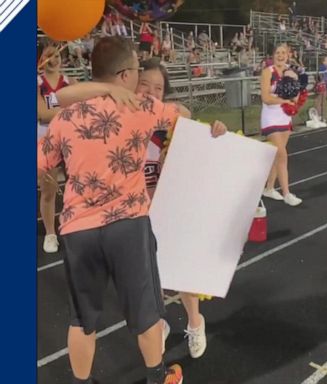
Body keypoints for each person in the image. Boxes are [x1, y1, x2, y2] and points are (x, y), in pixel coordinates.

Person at [56, 58, 227, 360]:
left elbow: (188, 117)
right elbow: (63, 98)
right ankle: (157, 324)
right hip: (134, 217)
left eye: (158, 88)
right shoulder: (115, 121)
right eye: (143, 84)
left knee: (182, 269)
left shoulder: (168, 123)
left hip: (170, 209)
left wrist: (213, 130)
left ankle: (194, 321)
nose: (150, 92)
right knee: (150, 278)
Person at [37, 36, 183, 384]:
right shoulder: (142, 108)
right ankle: (158, 377)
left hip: (77, 229)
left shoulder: (64, 116)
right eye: (134, 70)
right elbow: (185, 117)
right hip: (128, 224)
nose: (137, 77)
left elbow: (43, 163)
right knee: (144, 312)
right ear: (123, 74)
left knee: (81, 319)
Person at [38, 44, 76, 253]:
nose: (54, 59)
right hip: (46, 138)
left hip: (70, 138)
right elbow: (42, 114)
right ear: (41, 60)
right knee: (48, 189)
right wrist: (66, 110)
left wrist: (57, 110)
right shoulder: (36, 82)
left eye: (57, 54)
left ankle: (72, 225)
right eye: (48, 55)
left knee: (76, 184)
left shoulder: (71, 82)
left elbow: (80, 107)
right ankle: (50, 234)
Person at [260, 44, 302, 206]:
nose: (280, 55)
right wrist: (284, 100)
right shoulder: (267, 72)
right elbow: (266, 98)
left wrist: (295, 87)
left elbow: (296, 98)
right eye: (277, 52)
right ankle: (287, 193)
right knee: (282, 155)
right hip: (270, 117)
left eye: (283, 53)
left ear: (288, 55)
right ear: (273, 55)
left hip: (285, 117)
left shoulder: (291, 72)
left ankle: (269, 188)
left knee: (277, 156)